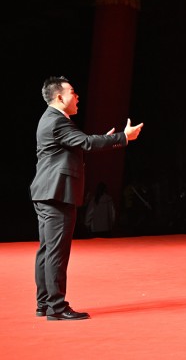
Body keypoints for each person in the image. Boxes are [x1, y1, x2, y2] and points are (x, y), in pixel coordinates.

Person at [31, 76, 143, 320]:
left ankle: (44, 303)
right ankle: (57, 307)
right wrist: (123, 137)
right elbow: (86, 142)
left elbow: (82, 143)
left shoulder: (50, 119)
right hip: (57, 193)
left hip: (47, 191)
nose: (77, 96)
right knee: (56, 252)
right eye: (73, 92)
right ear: (59, 97)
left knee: (47, 250)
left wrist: (105, 139)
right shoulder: (58, 121)